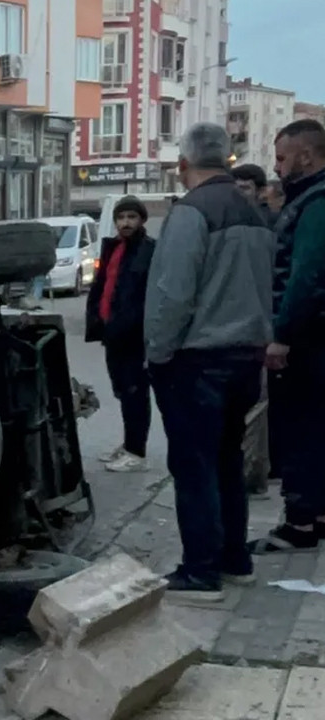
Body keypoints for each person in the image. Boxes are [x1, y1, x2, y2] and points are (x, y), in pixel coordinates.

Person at [143, 122, 276, 601]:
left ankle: (200, 571)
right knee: (226, 461)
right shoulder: (254, 212)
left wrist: (158, 354)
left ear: (184, 165)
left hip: (197, 360)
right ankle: (234, 558)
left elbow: (172, 294)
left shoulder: (191, 212)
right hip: (247, 357)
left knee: (194, 466)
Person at [248, 119, 325, 554]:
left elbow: (306, 276)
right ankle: (315, 514)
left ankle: (298, 523)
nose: (276, 168)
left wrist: (282, 335)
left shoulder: (314, 202)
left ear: (306, 156)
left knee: (298, 428)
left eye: (281, 158)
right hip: (314, 336)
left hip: (308, 340)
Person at [86, 196, 156, 473]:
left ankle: (137, 451)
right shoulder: (113, 248)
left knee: (135, 392)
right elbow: (103, 287)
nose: (126, 223)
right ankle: (128, 444)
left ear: (141, 220)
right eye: (121, 218)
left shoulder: (148, 251)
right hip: (113, 333)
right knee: (122, 391)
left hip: (135, 336)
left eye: (131, 217)